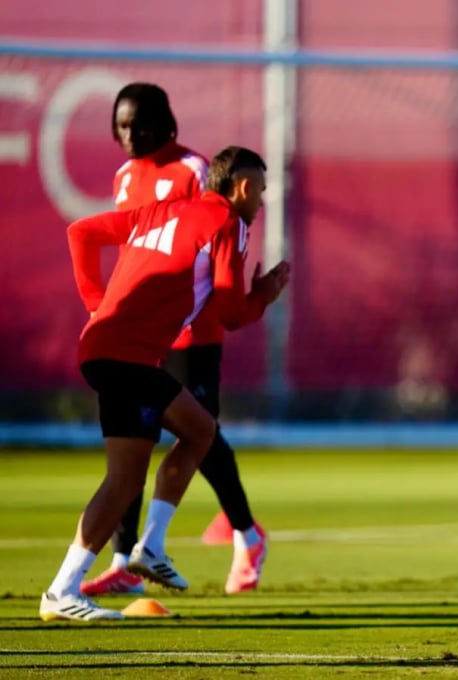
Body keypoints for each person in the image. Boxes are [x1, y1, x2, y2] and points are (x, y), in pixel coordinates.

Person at [42, 146, 290, 620]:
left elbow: (81, 232)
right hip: (129, 357)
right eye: (259, 190)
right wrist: (264, 295)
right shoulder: (230, 223)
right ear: (241, 187)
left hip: (102, 348)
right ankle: (140, 552)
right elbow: (230, 313)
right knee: (195, 434)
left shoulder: (162, 210)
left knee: (134, 472)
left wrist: (96, 305)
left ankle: (70, 587)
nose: (261, 201)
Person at [82, 83, 269, 598]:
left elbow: (216, 244)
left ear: (165, 124)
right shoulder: (124, 177)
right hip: (144, 332)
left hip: (192, 331)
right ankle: (123, 560)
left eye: (137, 124)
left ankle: (246, 534)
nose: (128, 135)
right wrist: (101, 302)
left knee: (201, 434)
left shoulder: (193, 169)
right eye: (120, 126)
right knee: (136, 441)